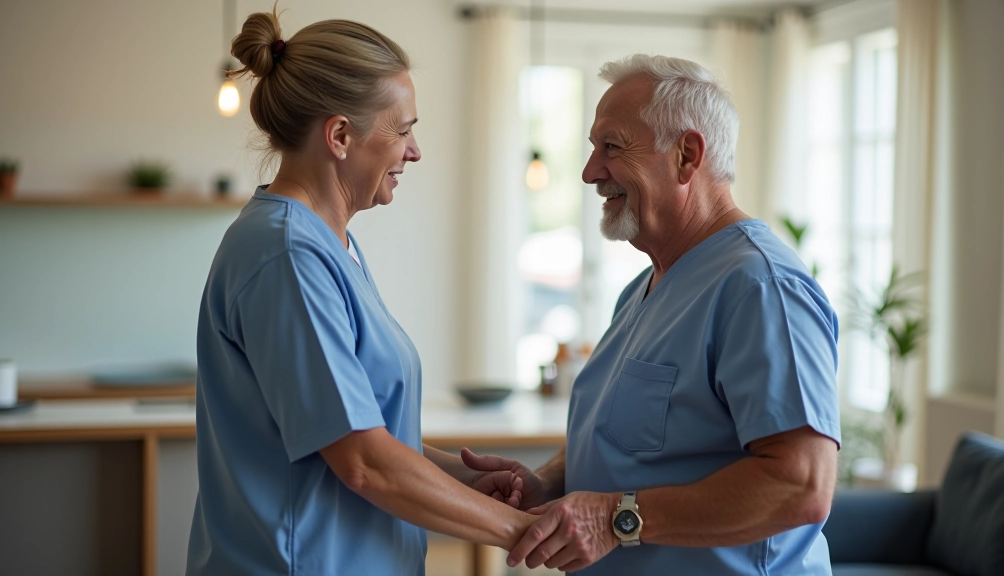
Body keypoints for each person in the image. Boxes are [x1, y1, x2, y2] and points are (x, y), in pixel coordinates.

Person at [186, 9, 534, 575]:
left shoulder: (327, 246)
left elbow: (351, 429)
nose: (415, 151)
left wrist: (465, 479)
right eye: (403, 130)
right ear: (341, 135)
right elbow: (363, 463)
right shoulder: (287, 255)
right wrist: (524, 531)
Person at [463, 54, 840, 575]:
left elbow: (800, 486)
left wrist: (617, 519)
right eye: (593, 148)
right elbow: (623, 438)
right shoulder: (644, 287)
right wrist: (547, 479)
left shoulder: (759, 287)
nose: (590, 171)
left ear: (687, 154)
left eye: (611, 147)